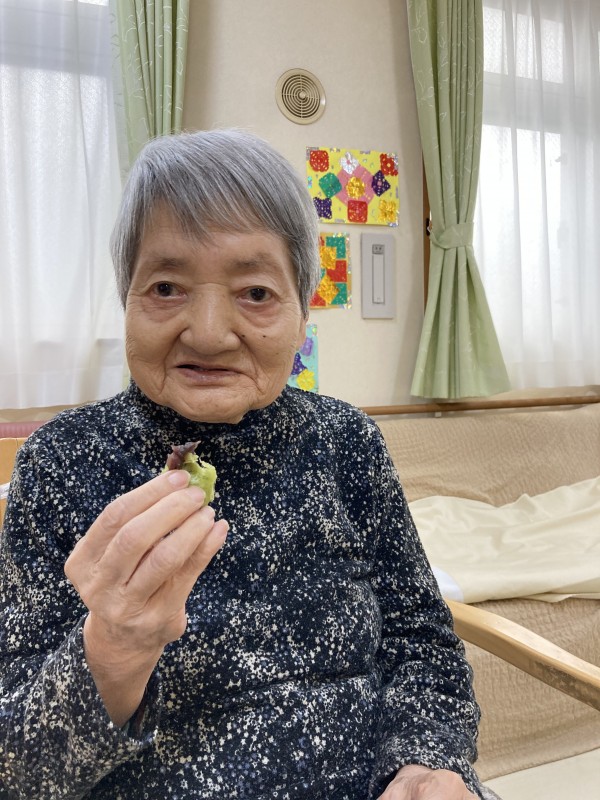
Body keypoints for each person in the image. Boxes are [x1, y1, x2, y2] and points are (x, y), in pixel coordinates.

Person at [0, 129, 489, 800]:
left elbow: (422, 642)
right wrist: (112, 652)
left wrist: (427, 764)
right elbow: (17, 771)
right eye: (166, 286)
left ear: (302, 310)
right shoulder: (61, 463)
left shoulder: (347, 442)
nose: (207, 332)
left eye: (255, 292)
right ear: (126, 298)